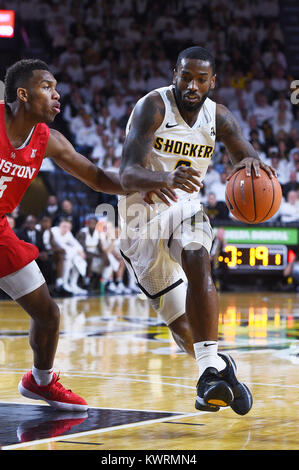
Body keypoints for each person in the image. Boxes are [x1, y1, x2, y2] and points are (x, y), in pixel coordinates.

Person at [0, 59, 193, 412]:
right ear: (22, 94)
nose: (57, 95)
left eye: (56, 87)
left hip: (0, 230)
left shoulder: (49, 139)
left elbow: (98, 178)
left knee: (48, 314)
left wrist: (154, 181)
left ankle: (40, 382)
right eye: (47, 87)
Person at [120, 46, 276, 415]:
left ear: (212, 81)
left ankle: (207, 375)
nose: (192, 85)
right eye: (186, 76)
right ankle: (221, 369)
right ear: (175, 73)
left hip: (183, 207)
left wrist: (253, 166)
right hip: (139, 219)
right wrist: (164, 176)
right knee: (181, 329)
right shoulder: (152, 107)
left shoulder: (218, 116)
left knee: (197, 256)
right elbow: (127, 174)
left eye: (201, 79)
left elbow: (244, 153)